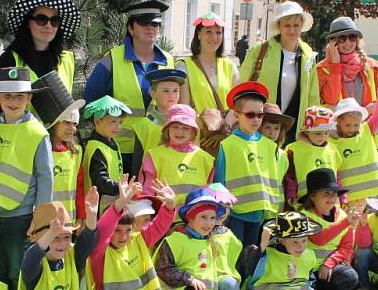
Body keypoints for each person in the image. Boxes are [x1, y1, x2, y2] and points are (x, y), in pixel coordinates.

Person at [0, 67, 54, 290]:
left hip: (20, 217)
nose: (14, 101)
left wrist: (40, 218)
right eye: (8, 95)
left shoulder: (37, 132)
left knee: (17, 273)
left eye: (20, 96)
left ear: (29, 98)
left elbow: (46, 175)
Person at [83, 0, 175, 173]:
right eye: (144, 23)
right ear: (131, 28)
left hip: (157, 149)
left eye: (155, 24)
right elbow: (90, 104)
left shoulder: (169, 61)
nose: (151, 28)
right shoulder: (111, 61)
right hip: (120, 151)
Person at [0, 0, 81, 119]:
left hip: (58, 138)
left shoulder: (67, 59)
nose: (49, 26)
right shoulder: (10, 59)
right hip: (22, 137)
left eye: (55, 20)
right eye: (41, 19)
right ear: (28, 23)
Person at [239, 1, 320, 142]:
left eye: (296, 25)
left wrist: (312, 127)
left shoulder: (308, 54)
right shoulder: (261, 50)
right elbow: (242, 85)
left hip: (295, 126)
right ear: (279, 27)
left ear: (302, 26)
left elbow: (313, 95)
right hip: (263, 123)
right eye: (287, 25)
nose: (292, 30)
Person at [215, 82, 282, 246]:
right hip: (236, 213)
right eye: (250, 115)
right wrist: (222, 209)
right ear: (236, 115)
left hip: (261, 213)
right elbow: (219, 180)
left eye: (260, 115)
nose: (256, 119)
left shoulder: (269, 145)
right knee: (237, 253)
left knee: (253, 255)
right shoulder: (228, 145)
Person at [177, 12, 239, 156]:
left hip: (226, 136)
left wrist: (224, 129)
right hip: (198, 137)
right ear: (198, 34)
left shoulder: (230, 66)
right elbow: (184, 106)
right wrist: (206, 130)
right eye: (208, 32)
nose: (214, 37)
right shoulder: (184, 65)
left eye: (218, 32)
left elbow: (237, 104)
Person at [244, 211, 321, 290]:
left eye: (304, 240)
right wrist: (262, 246)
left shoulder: (308, 255)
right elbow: (252, 272)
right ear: (281, 240)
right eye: (295, 242)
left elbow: (310, 282)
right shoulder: (267, 255)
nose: (301, 246)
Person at [138, 104, 214, 212]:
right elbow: (147, 190)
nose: (180, 132)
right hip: (163, 217)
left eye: (185, 128)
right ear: (167, 129)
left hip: (195, 220)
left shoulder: (206, 159)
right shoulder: (155, 155)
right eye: (175, 127)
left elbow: (208, 192)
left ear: (193, 132)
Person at [317, 17, 378, 120]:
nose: (348, 43)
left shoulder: (373, 66)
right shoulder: (322, 69)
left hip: (366, 131)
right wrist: (336, 65)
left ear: (357, 40)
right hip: (336, 132)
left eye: (352, 37)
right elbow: (331, 100)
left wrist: (373, 108)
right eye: (342, 39)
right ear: (333, 42)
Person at [300, 169, 361, 290]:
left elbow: (347, 248)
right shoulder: (304, 217)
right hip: (306, 271)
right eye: (326, 193)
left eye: (334, 194)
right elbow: (319, 239)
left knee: (350, 277)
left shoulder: (343, 216)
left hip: (329, 268)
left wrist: (329, 263)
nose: (332, 198)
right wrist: (345, 223)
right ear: (312, 196)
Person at [329, 97, 378, 205]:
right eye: (347, 125)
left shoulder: (366, 129)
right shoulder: (332, 140)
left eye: (356, 125)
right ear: (338, 122)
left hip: (372, 192)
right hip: (348, 196)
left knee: (368, 221)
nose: (352, 129)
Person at [130, 68, 186, 176]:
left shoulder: (188, 125)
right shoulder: (143, 126)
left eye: (176, 90)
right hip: (151, 185)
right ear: (152, 93)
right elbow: (137, 165)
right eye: (166, 91)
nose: (172, 95)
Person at [284, 106, 343, 208]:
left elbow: (337, 176)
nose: (323, 137)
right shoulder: (293, 149)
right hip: (305, 201)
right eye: (318, 133)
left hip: (330, 202)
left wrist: (342, 197)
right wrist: (291, 194)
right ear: (306, 131)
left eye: (326, 133)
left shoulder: (333, 150)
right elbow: (289, 175)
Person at [205, 183, 243, 290]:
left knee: (230, 285)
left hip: (221, 278)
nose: (223, 210)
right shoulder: (194, 230)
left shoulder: (228, 233)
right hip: (200, 277)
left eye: (227, 206)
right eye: (219, 205)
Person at [81, 95, 130, 211]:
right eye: (113, 121)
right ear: (97, 122)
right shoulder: (96, 148)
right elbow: (100, 181)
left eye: (120, 122)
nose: (118, 126)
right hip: (98, 208)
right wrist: (121, 188)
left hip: (113, 204)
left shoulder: (113, 143)